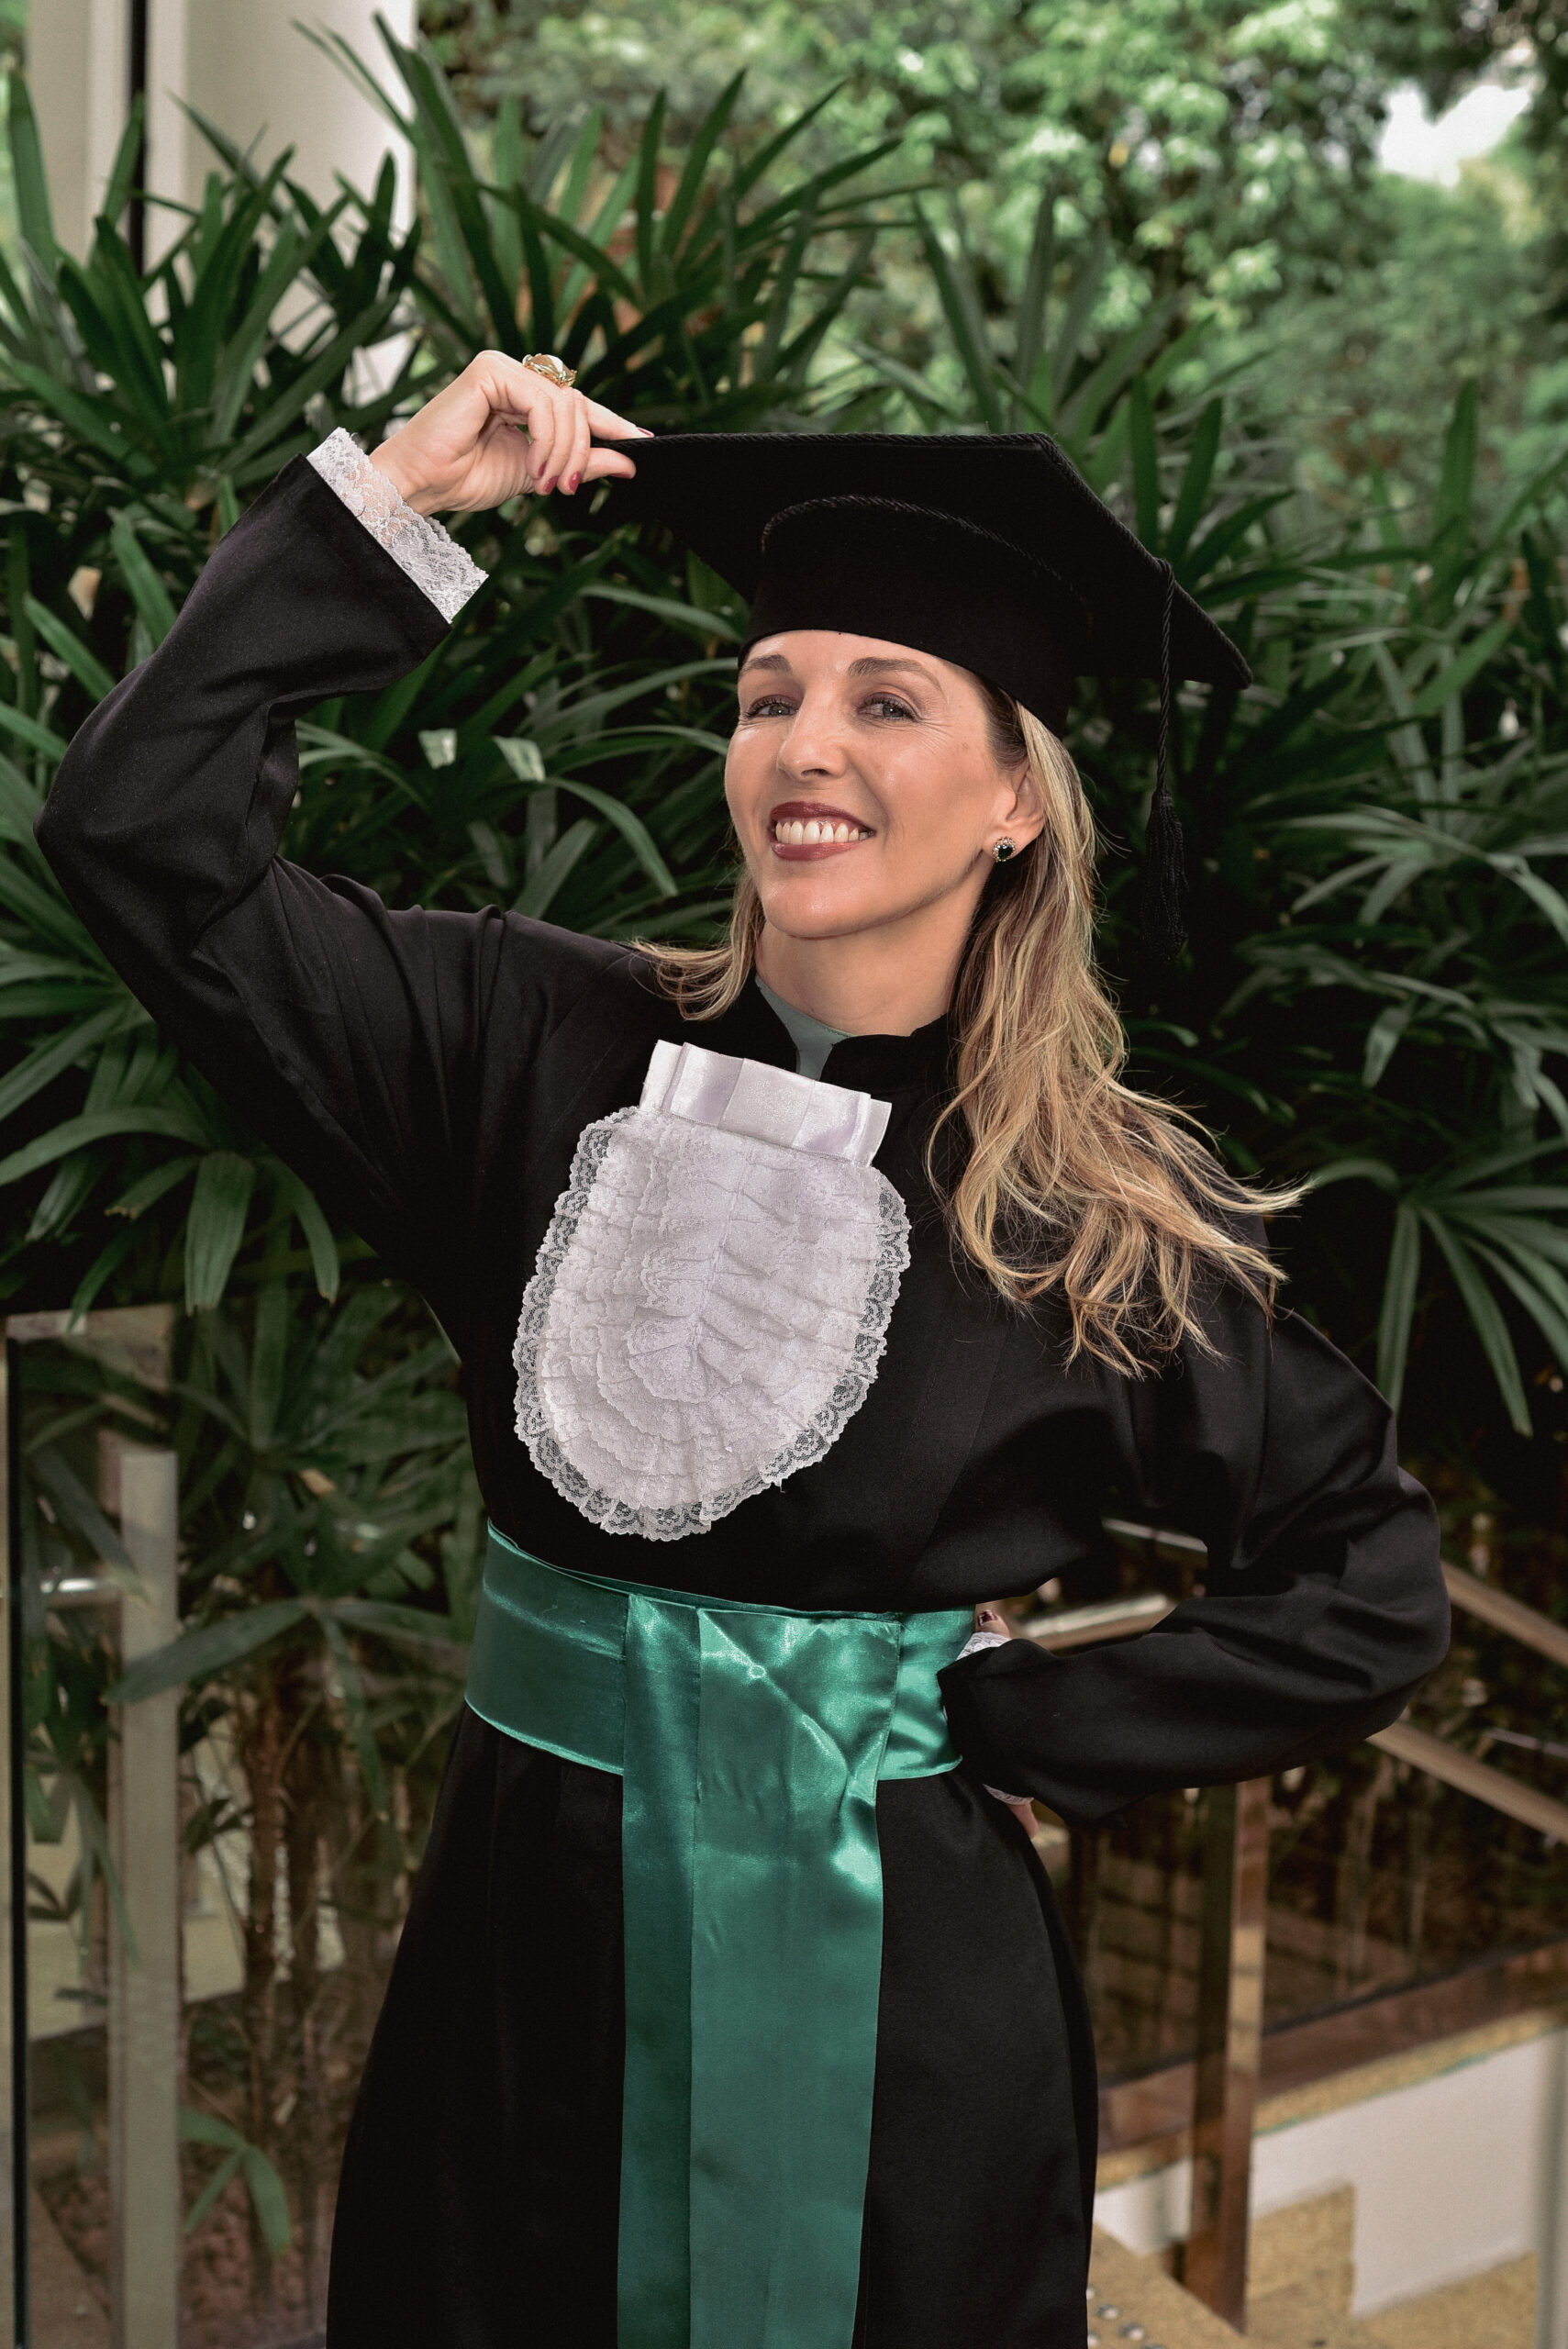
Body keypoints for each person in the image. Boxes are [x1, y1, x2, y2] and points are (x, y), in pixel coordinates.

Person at [38, 351, 1450, 2349]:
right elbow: (137, 831)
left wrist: (1016, 1728)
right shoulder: (517, 1046)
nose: (806, 742)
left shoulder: (1088, 1218)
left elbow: (1368, 1575)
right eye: (769, 691)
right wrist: (391, 506)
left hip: (893, 2015)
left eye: (887, 701)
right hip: (519, 1988)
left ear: (1017, 799)